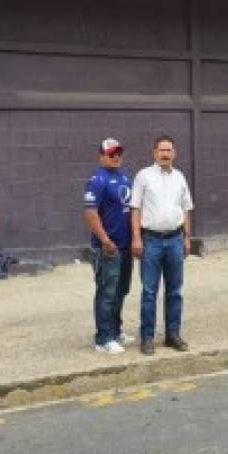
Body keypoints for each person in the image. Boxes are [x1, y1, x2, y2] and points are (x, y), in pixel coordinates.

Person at [130, 135, 194, 356]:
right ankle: (147, 338)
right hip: (151, 241)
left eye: (169, 150)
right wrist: (136, 238)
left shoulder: (180, 177)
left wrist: (187, 237)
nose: (165, 154)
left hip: (175, 240)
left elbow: (186, 209)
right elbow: (135, 209)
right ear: (154, 152)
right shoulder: (143, 176)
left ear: (174, 153)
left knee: (175, 291)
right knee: (149, 291)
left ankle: (172, 335)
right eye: (161, 150)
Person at [83, 138, 135, 354]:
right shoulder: (97, 180)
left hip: (125, 246)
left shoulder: (124, 177)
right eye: (111, 153)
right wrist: (105, 240)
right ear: (101, 156)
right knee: (107, 292)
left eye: (119, 153)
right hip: (107, 248)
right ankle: (103, 339)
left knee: (121, 291)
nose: (116, 157)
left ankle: (115, 330)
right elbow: (90, 213)